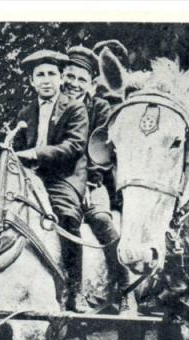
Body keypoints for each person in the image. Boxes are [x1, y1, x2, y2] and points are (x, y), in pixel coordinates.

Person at [13, 49, 89, 312]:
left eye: (51, 74)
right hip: (31, 176)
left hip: (64, 176)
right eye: (40, 75)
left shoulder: (75, 107)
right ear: (32, 82)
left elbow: (74, 146)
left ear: (60, 79)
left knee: (67, 216)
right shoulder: (25, 112)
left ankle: (75, 287)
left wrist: (35, 154)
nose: (46, 80)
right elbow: (17, 145)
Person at [63, 45, 136, 312]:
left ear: (92, 83)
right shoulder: (51, 107)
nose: (73, 84)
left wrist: (89, 180)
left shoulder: (100, 108)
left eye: (81, 79)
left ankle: (124, 290)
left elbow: (101, 151)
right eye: (69, 76)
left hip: (91, 181)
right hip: (55, 183)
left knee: (103, 222)